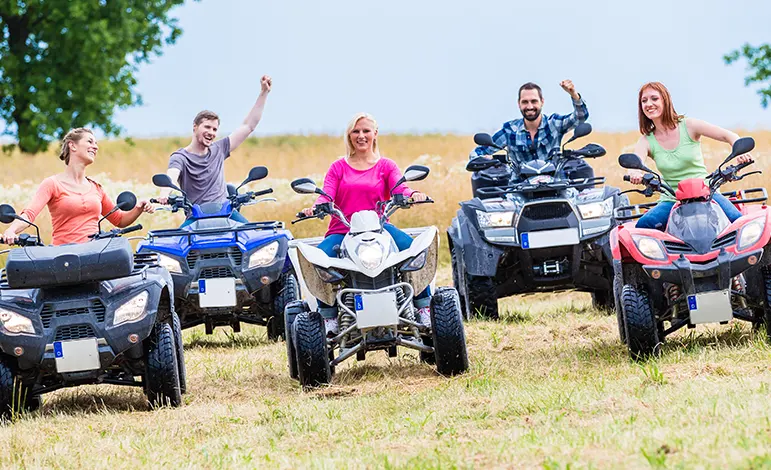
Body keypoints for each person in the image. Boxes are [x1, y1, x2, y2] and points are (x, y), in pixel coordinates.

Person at [301, 113, 430, 334]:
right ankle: (328, 317)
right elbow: (326, 195)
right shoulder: (338, 167)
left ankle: (423, 307)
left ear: (375, 134)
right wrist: (316, 206)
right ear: (349, 135)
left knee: (415, 250)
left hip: (380, 229)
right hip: (342, 231)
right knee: (319, 261)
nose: (361, 136)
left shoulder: (386, 166)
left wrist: (413, 194)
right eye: (356, 131)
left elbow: (400, 189)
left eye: (366, 131)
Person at [627, 82, 751, 230]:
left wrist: (739, 150)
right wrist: (635, 173)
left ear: (665, 100)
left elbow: (728, 135)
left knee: (740, 224)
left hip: (706, 192)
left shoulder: (689, 125)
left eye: (654, 98)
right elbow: (634, 163)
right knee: (643, 226)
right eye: (644, 100)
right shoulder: (646, 140)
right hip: (672, 199)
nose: (649, 104)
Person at [1, 128, 153, 246]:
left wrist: (138, 207)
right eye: (90, 142)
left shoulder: (96, 188)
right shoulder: (52, 184)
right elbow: (29, 214)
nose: (95, 147)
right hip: (63, 257)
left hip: (96, 254)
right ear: (72, 145)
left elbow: (119, 219)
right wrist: (11, 230)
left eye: (96, 144)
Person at [158, 75, 273, 226]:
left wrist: (264, 92)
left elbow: (248, 126)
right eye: (207, 127)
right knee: (175, 243)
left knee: (254, 235)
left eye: (214, 129)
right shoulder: (180, 157)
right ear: (195, 126)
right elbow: (171, 177)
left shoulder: (219, 148)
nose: (211, 132)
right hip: (196, 217)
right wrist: (164, 194)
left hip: (227, 213)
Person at [469, 80, 593, 180]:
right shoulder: (509, 130)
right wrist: (485, 160)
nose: (529, 106)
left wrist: (574, 95)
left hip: (556, 184)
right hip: (518, 189)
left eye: (534, 101)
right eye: (525, 102)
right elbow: (477, 153)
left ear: (542, 102)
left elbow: (580, 117)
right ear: (519, 104)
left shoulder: (554, 123)